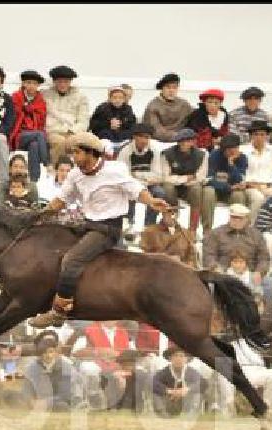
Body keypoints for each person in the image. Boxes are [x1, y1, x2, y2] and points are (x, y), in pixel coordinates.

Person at [29, 133, 172, 328]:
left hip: (108, 229)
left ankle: (59, 312)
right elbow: (60, 200)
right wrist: (36, 216)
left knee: (71, 261)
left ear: (91, 153)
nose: (74, 158)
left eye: (77, 153)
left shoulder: (115, 170)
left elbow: (137, 190)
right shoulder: (75, 174)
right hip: (86, 224)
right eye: (72, 154)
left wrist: (152, 202)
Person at [158, 128, 208, 231]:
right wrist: (185, 178)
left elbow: (200, 177)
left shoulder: (201, 155)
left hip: (190, 187)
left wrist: (181, 179)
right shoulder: (167, 154)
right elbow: (166, 177)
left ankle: (192, 229)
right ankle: (171, 222)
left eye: (188, 141)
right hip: (173, 186)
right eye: (182, 141)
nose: (184, 144)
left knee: (197, 189)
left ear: (193, 142)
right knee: (167, 187)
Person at [42, 65, 90, 169]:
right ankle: (57, 170)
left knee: (85, 142)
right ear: (54, 82)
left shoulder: (81, 97)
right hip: (53, 131)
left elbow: (84, 120)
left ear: (70, 82)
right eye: (59, 81)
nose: (63, 84)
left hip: (73, 131)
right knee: (60, 142)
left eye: (66, 81)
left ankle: (81, 171)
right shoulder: (45, 95)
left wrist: (72, 131)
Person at [9, 70, 50, 180]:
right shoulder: (16, 97)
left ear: (38, 86)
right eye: (28, 82)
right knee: (39, 135)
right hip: (19, 135)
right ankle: (47, 163)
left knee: (35, 146)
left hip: (33, 136)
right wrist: (27, 109)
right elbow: (14, 116)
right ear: (23, 84)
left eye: (34, 83)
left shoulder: (40, 100)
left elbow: (41, 120)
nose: (31, 86)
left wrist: (30, 109)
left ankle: (33, 181)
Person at [201, 133, 248, 225]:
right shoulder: (214, 155)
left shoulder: (242, 158)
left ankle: (236, 228)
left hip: (231, 193)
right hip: (216, 190)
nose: (232, 152)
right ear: (223, 149)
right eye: (229, 149)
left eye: (235, 148)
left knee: (239, 195)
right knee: (208, 192)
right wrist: (228, 187)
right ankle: (207, 230)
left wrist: (231, 164)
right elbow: (208, 180)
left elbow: (239, 181)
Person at [24, 337, 82, 411]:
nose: (48, 355)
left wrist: (46, 402)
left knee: (62, 406)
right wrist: (30, 400)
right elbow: (27, 387)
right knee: (11, 397)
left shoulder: (66, 367)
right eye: (44, 353)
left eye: (51, 352)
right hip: (43, 398)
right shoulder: (33, 366)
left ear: (56, 352)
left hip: (67, 399)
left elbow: (65, 395)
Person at [152, 347, 204, 417]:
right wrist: (169, 391)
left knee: (197, 392)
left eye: (181, 356)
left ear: (186, 359)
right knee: (155, 393)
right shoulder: (164, 372)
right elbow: (153, 383)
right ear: (170, 358)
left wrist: (187, 390)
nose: (178, 359)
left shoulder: (192, 372)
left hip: (187, 403)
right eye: (175, 356)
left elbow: (203, 383)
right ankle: (162, 413)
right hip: (169, 402)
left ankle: (191, 414)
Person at [142, 73, 193, 143]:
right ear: (162, 89)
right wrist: (177, 136)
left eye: (174, 87)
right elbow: (155, 130)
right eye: (168, 87)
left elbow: (193, 120)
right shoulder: (153, 106)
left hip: (183, 141)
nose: (171, 90)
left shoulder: (184, 104)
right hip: (159, 141)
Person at [88, 85, 137, 156]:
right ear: (110, 98)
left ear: (124, 99)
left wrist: (122, 123)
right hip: (106, 138)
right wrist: (108, 124)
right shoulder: (102, 108)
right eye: (115, 97)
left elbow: (132, 127)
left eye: (120, 98)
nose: (117, 100)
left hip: (124, 139)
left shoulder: (128, 110)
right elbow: (93, 125)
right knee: (105, 147)